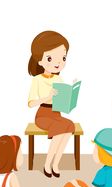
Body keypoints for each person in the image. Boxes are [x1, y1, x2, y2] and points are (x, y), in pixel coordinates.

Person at [28, 30, 75, 178]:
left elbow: (61, 103)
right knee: (61, 127)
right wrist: (46, 97)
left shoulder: (59, 80)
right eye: (50, 58)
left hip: (57, 113)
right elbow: (30, 103)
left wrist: (69, 97)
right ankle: (47, 164)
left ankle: (56, 163)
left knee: (69, 126)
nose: (58, 63)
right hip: (43, 115)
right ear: (40, 61)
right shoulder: (37, 80)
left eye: (63, 57)